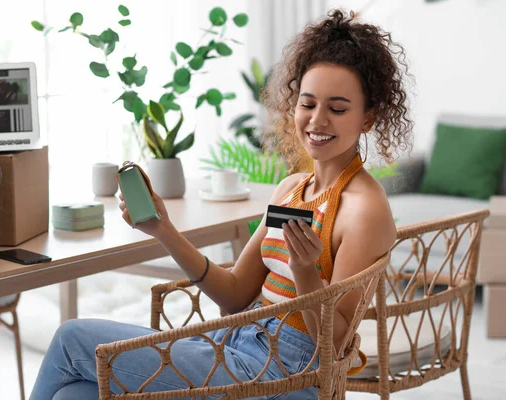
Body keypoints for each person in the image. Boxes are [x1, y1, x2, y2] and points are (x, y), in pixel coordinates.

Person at [30, 9, 413, 400]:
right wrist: (163, 228)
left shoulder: (363, 209)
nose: (317, 121)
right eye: (307, 103)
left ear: (368, 118)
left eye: (337, 108)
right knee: (73, 394)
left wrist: (305, 273)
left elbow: (333, 348)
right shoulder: (291, 189)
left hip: (288, 376)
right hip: (235, 344)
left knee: (71, 338)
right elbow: (233, 295)